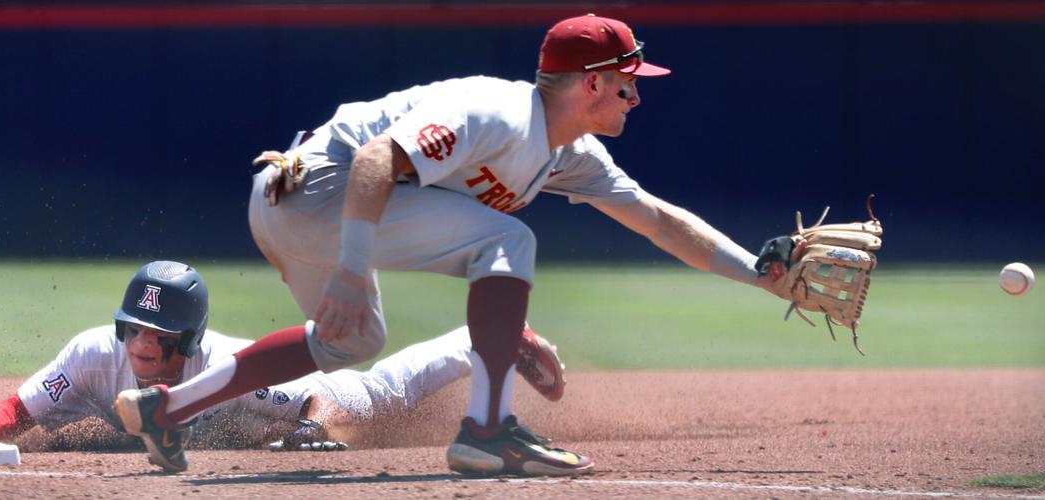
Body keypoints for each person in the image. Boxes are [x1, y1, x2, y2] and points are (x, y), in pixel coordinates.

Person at [115, 14, 785, 477]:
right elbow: (378, 159)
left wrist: (761, 272)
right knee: (508, 237)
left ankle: (167, 410)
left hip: (293, 207)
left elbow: (658, 220)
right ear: (589, 83)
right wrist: (351, 267)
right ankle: (488, 431)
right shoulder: (495, 111)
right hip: (318, 188)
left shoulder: (566, 155)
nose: (635, 95)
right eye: (626, 81)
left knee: (352, 342)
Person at [0, 260, 567, 459]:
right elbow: (17, 408)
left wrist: (309, 435)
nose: (143, 345)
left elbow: (315, 402)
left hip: (296, 393)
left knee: (384, 391)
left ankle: (490, 336)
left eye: (161, 335)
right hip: (228, 427)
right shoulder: (94, 353)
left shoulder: (225, 366)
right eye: (135, 330)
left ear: (191, 340)